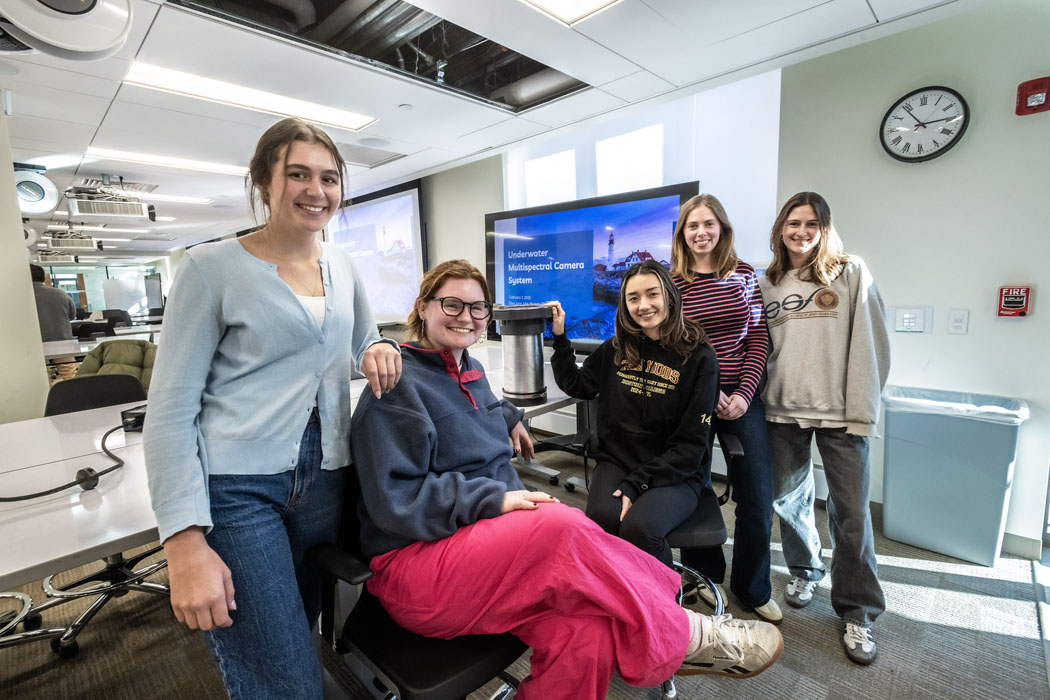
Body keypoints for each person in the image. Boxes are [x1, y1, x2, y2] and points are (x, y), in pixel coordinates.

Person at [350, 259, 782, 700]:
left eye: (478, 308)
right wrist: (493, 500)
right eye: (452, 304)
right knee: (563, 523)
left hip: (486, 552)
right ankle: (683, 633)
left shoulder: (470, 369)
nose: (467, 317)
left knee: (588, 634)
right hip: (420, 565)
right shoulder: (396, 381)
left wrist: (511, 416)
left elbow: (479, 404)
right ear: (422, 308)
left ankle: (665, 625)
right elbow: (396, 500)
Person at [142, 117, 402, 700]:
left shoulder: (343, 265)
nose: (317, 190)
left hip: (325, 481)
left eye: (329, 178)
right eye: (298, 174)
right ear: (264, 181)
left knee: (296, 633)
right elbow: (169, 410)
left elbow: (362, 338)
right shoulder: (210, 269)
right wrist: (181, 540)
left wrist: (378, 345)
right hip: (239, 490)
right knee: (284, 678)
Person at [758, 191, 889, 665]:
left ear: (825, 228)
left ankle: (858, 611)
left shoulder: (850, 270)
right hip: (782, 409)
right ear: (780, 229)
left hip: (841, 414)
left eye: (811, 224)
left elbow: (873, 344)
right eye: (793, 223)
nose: (801, 232)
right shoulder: (766, 280)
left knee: (851, 512)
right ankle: (806, 568)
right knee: (787, 500)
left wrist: (862, 409)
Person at [547, 260, 719, 569]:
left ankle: (664, 612)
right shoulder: (617, 347)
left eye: (652, 294)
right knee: (601, 519)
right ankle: (620, 598)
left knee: (640, 529)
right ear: (625, 304)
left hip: (675, 471)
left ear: (669, 296)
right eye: (633, 298)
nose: (643, 305)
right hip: (619, 460)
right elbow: (578, 384)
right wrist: (560, 338)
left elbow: (692, 445)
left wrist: (636, 483)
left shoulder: (699, 357)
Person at [669, 194, 780, 624]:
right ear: (683, 232)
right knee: (693, 489)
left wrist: (744, 394)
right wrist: (706, 390)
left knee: (757, 495)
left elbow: (758, 339)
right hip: (691, 396)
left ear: (722, 229)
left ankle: (752, 588)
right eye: (692, 225)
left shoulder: (744, 274)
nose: (701, 232)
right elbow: (669, 346)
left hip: (741, 395)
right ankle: (703, 574)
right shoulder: (671, 281)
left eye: (709, 224)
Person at [30, 264, 75, 341]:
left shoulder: (21, 297)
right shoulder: (61, 293)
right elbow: (72, 316)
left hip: (37, 343)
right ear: (43, 278)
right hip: (64, 341)